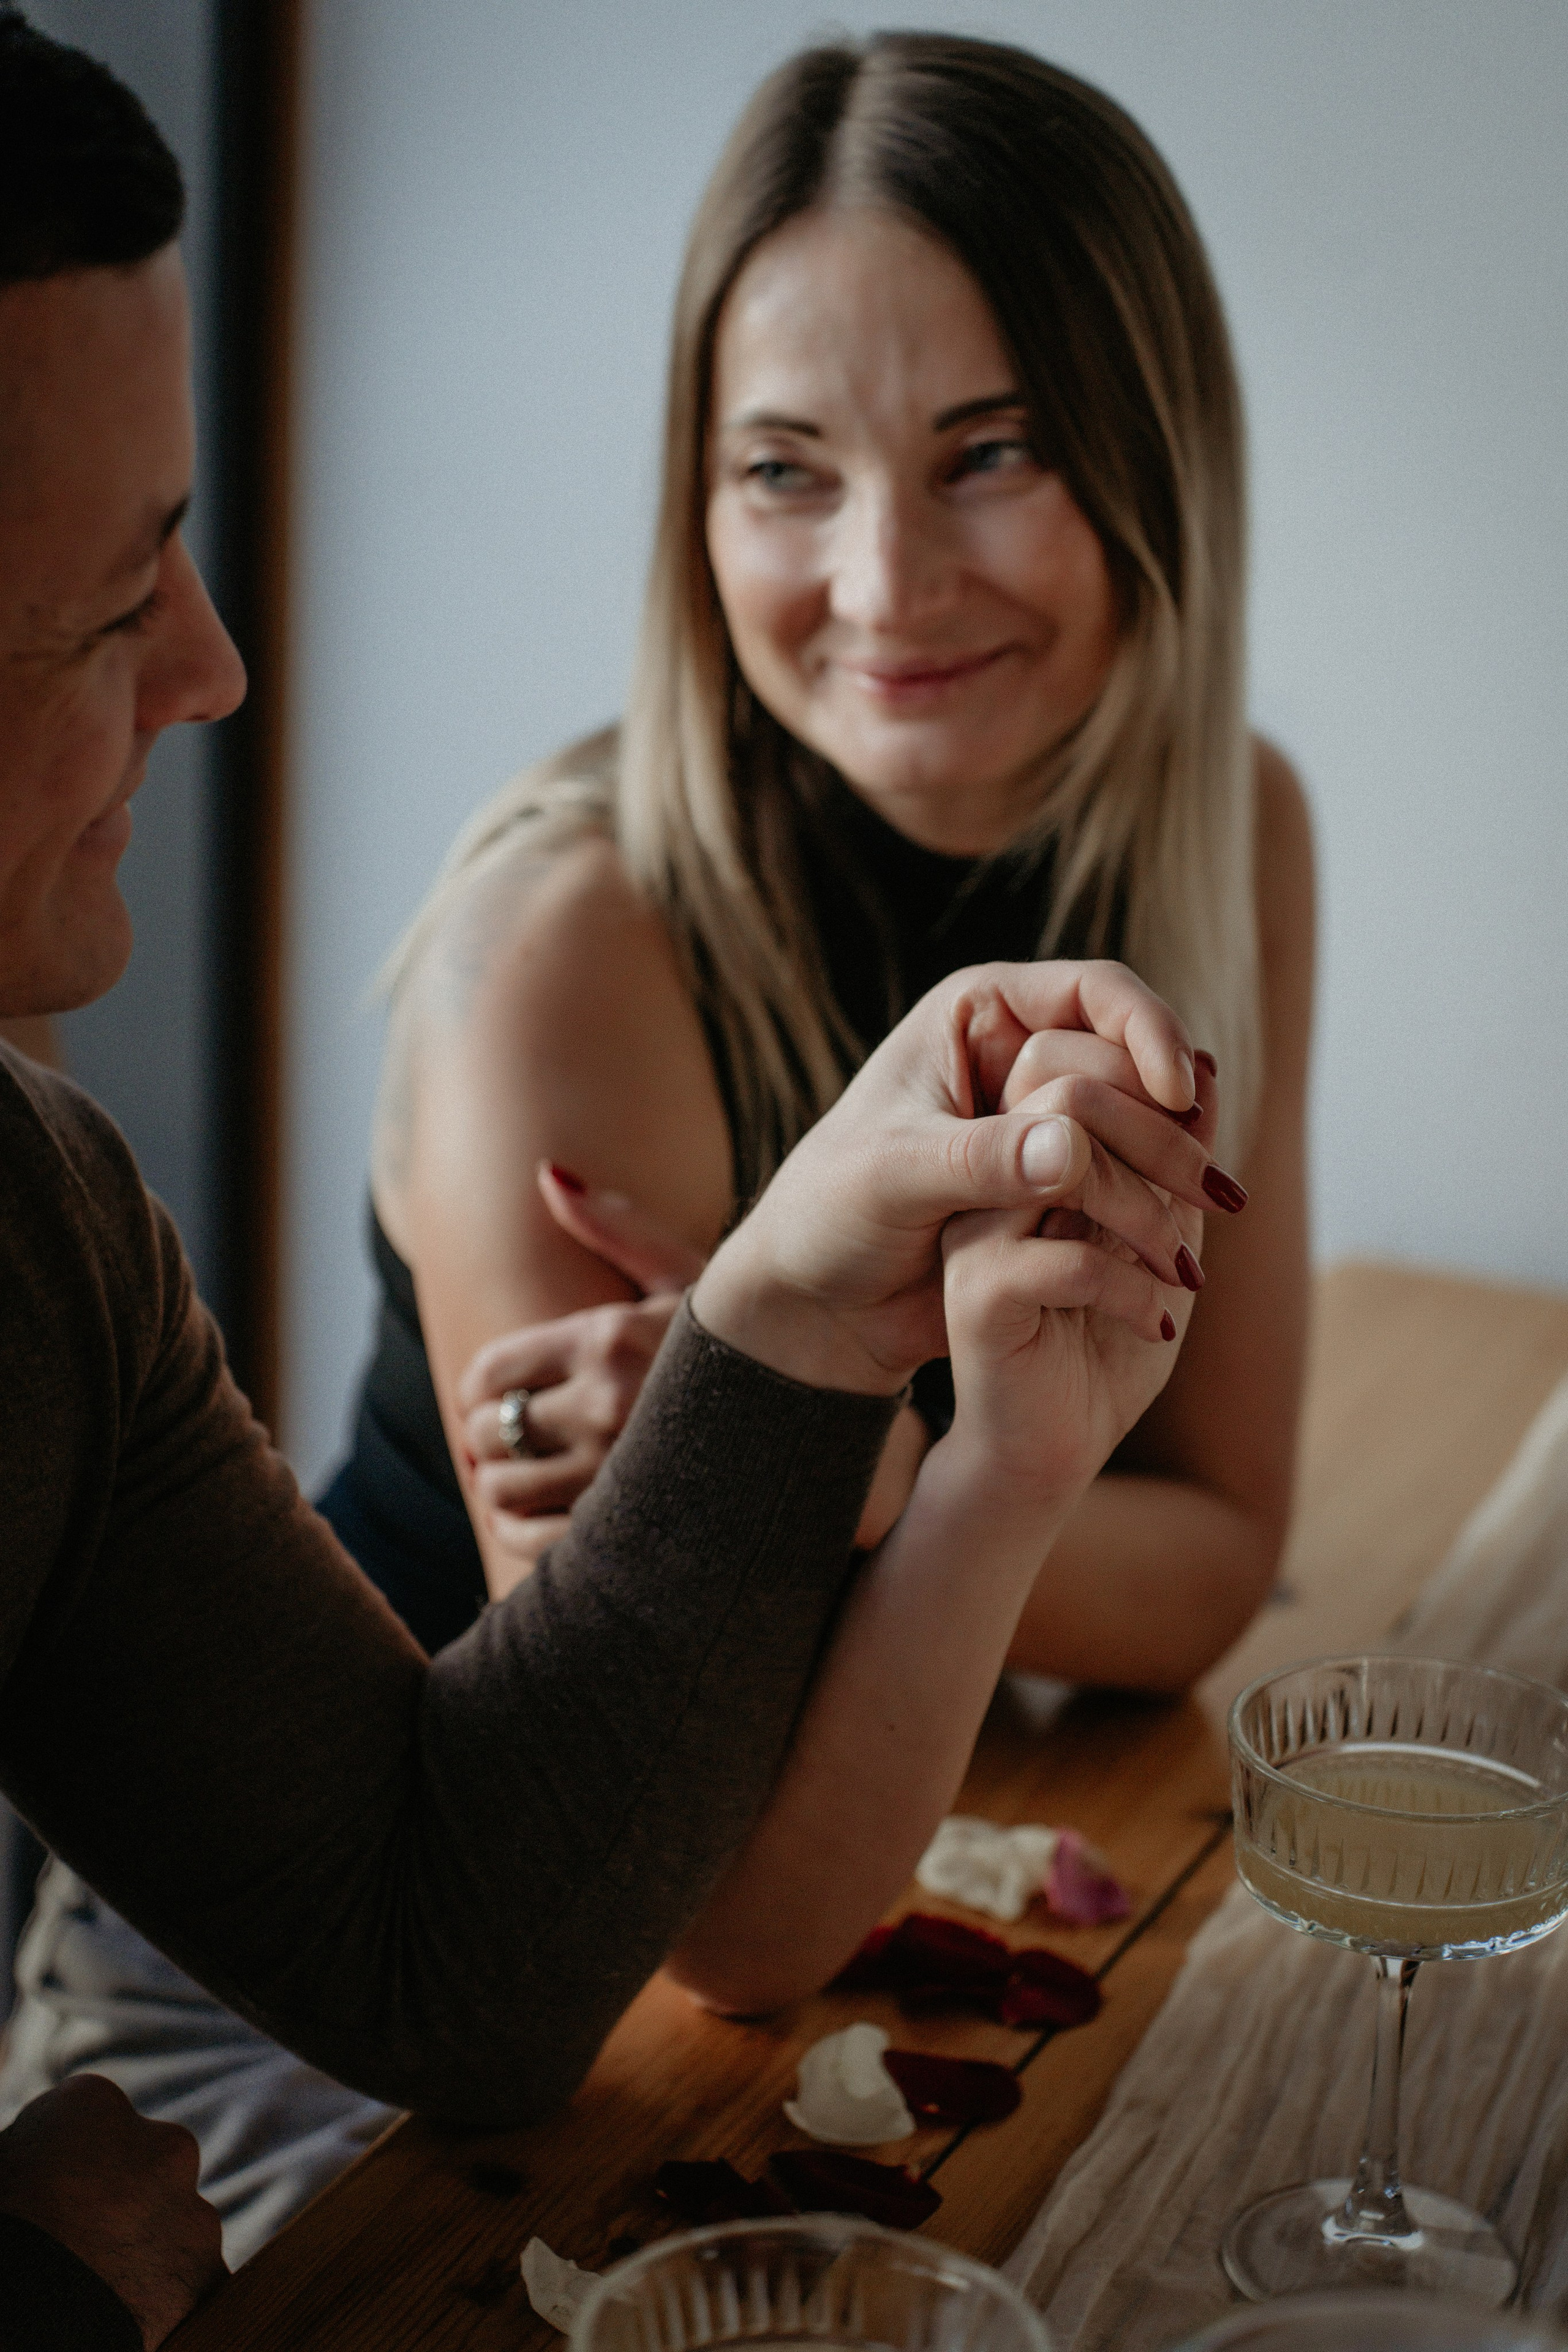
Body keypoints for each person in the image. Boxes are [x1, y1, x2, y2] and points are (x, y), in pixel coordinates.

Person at [4, 22, 1309, 2277]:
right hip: (304, 2029)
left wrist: (878, 1467)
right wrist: (878, 1450)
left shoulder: (1223, 831)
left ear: (1161, 458)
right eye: (784, 469)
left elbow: (1213, 1550)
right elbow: (702, 1930)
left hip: (562, 1936)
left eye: (986, 451)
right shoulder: (564, 957)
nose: (886, 583)